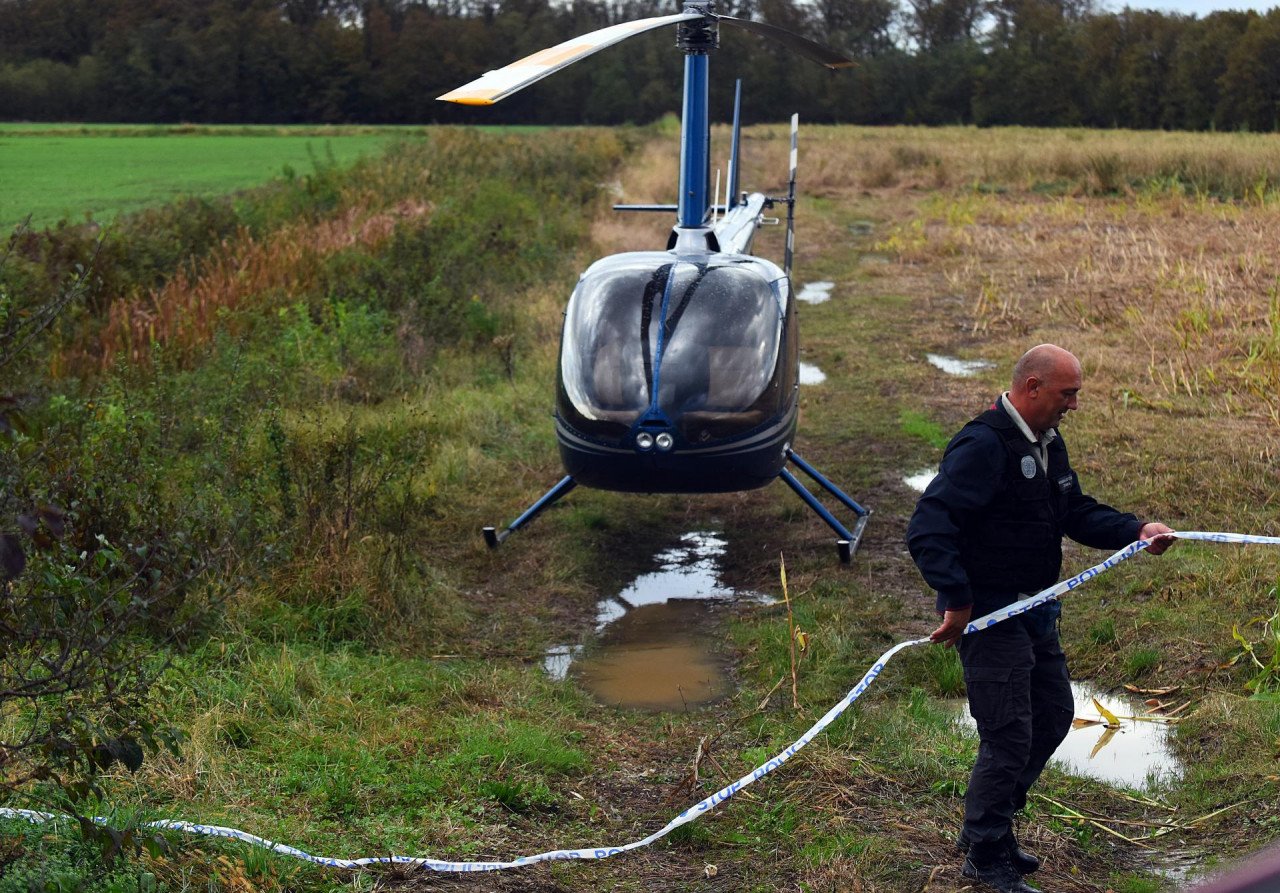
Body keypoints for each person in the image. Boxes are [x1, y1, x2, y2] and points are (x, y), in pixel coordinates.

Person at [906, 344, 1174, 893]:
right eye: (1066, 394)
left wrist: (1135, 530)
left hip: (1037, 607)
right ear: (1032, 387)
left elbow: (1073, 511)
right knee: (1008, 733)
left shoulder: (1048, 441)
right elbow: (929, 525)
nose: (1074, 405)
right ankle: (985, 853)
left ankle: (991, 827)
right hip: (991, 615)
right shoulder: (983, 445)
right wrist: (957, 598)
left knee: (1052, 716)